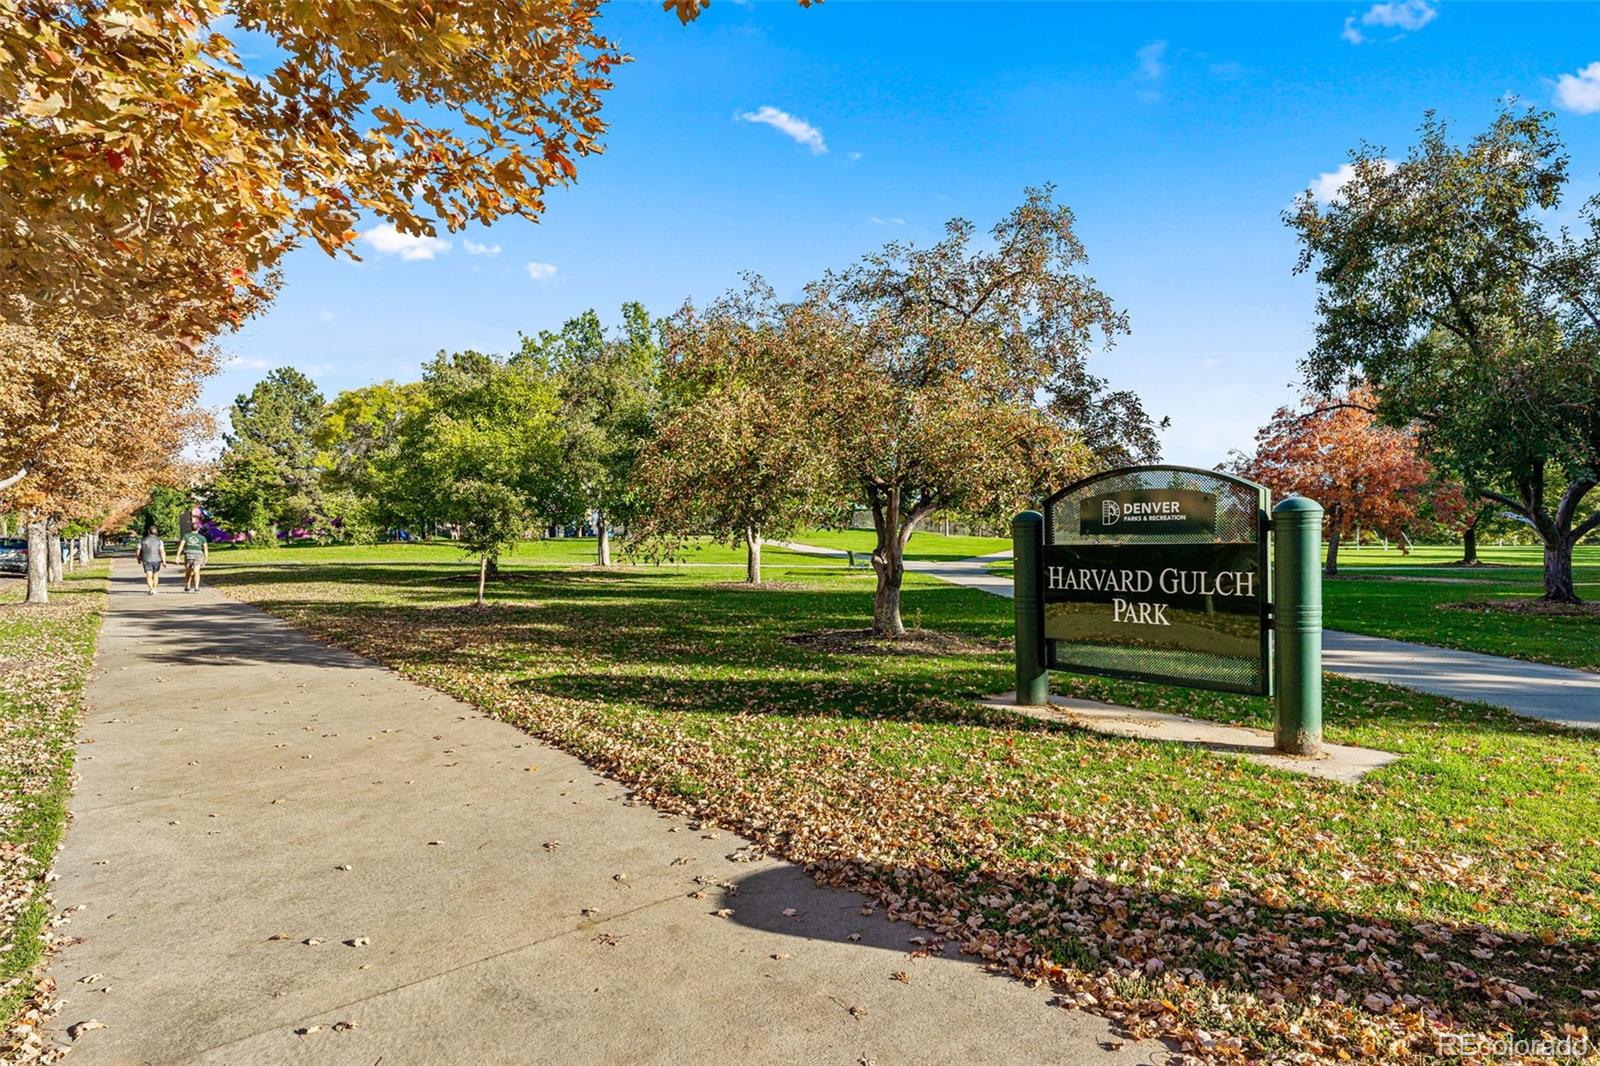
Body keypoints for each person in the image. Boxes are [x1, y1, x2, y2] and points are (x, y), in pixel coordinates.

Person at [135, 524, 166, 594]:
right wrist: (164, 561)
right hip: (157, 559)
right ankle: (154, 588)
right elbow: (162, 551)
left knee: (149, 575)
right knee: (155, 575)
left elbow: (138, 550)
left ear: (148, 531)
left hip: (146, 559)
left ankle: (151, 588)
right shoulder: (159, 541)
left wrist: (138, 558)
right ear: (156, 532)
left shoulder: (142, 540)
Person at [178, 525, 209, 592]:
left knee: (189, 571)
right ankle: (195, 587)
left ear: (190, 528)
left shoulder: (186, 536)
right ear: (198, 529)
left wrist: (178, 556)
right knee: (195, 571)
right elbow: (205, 549)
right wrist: (206, 558)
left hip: (188, 555)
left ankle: (189, 586)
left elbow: (181, 546)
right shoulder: (202, 537)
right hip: (197, 555)